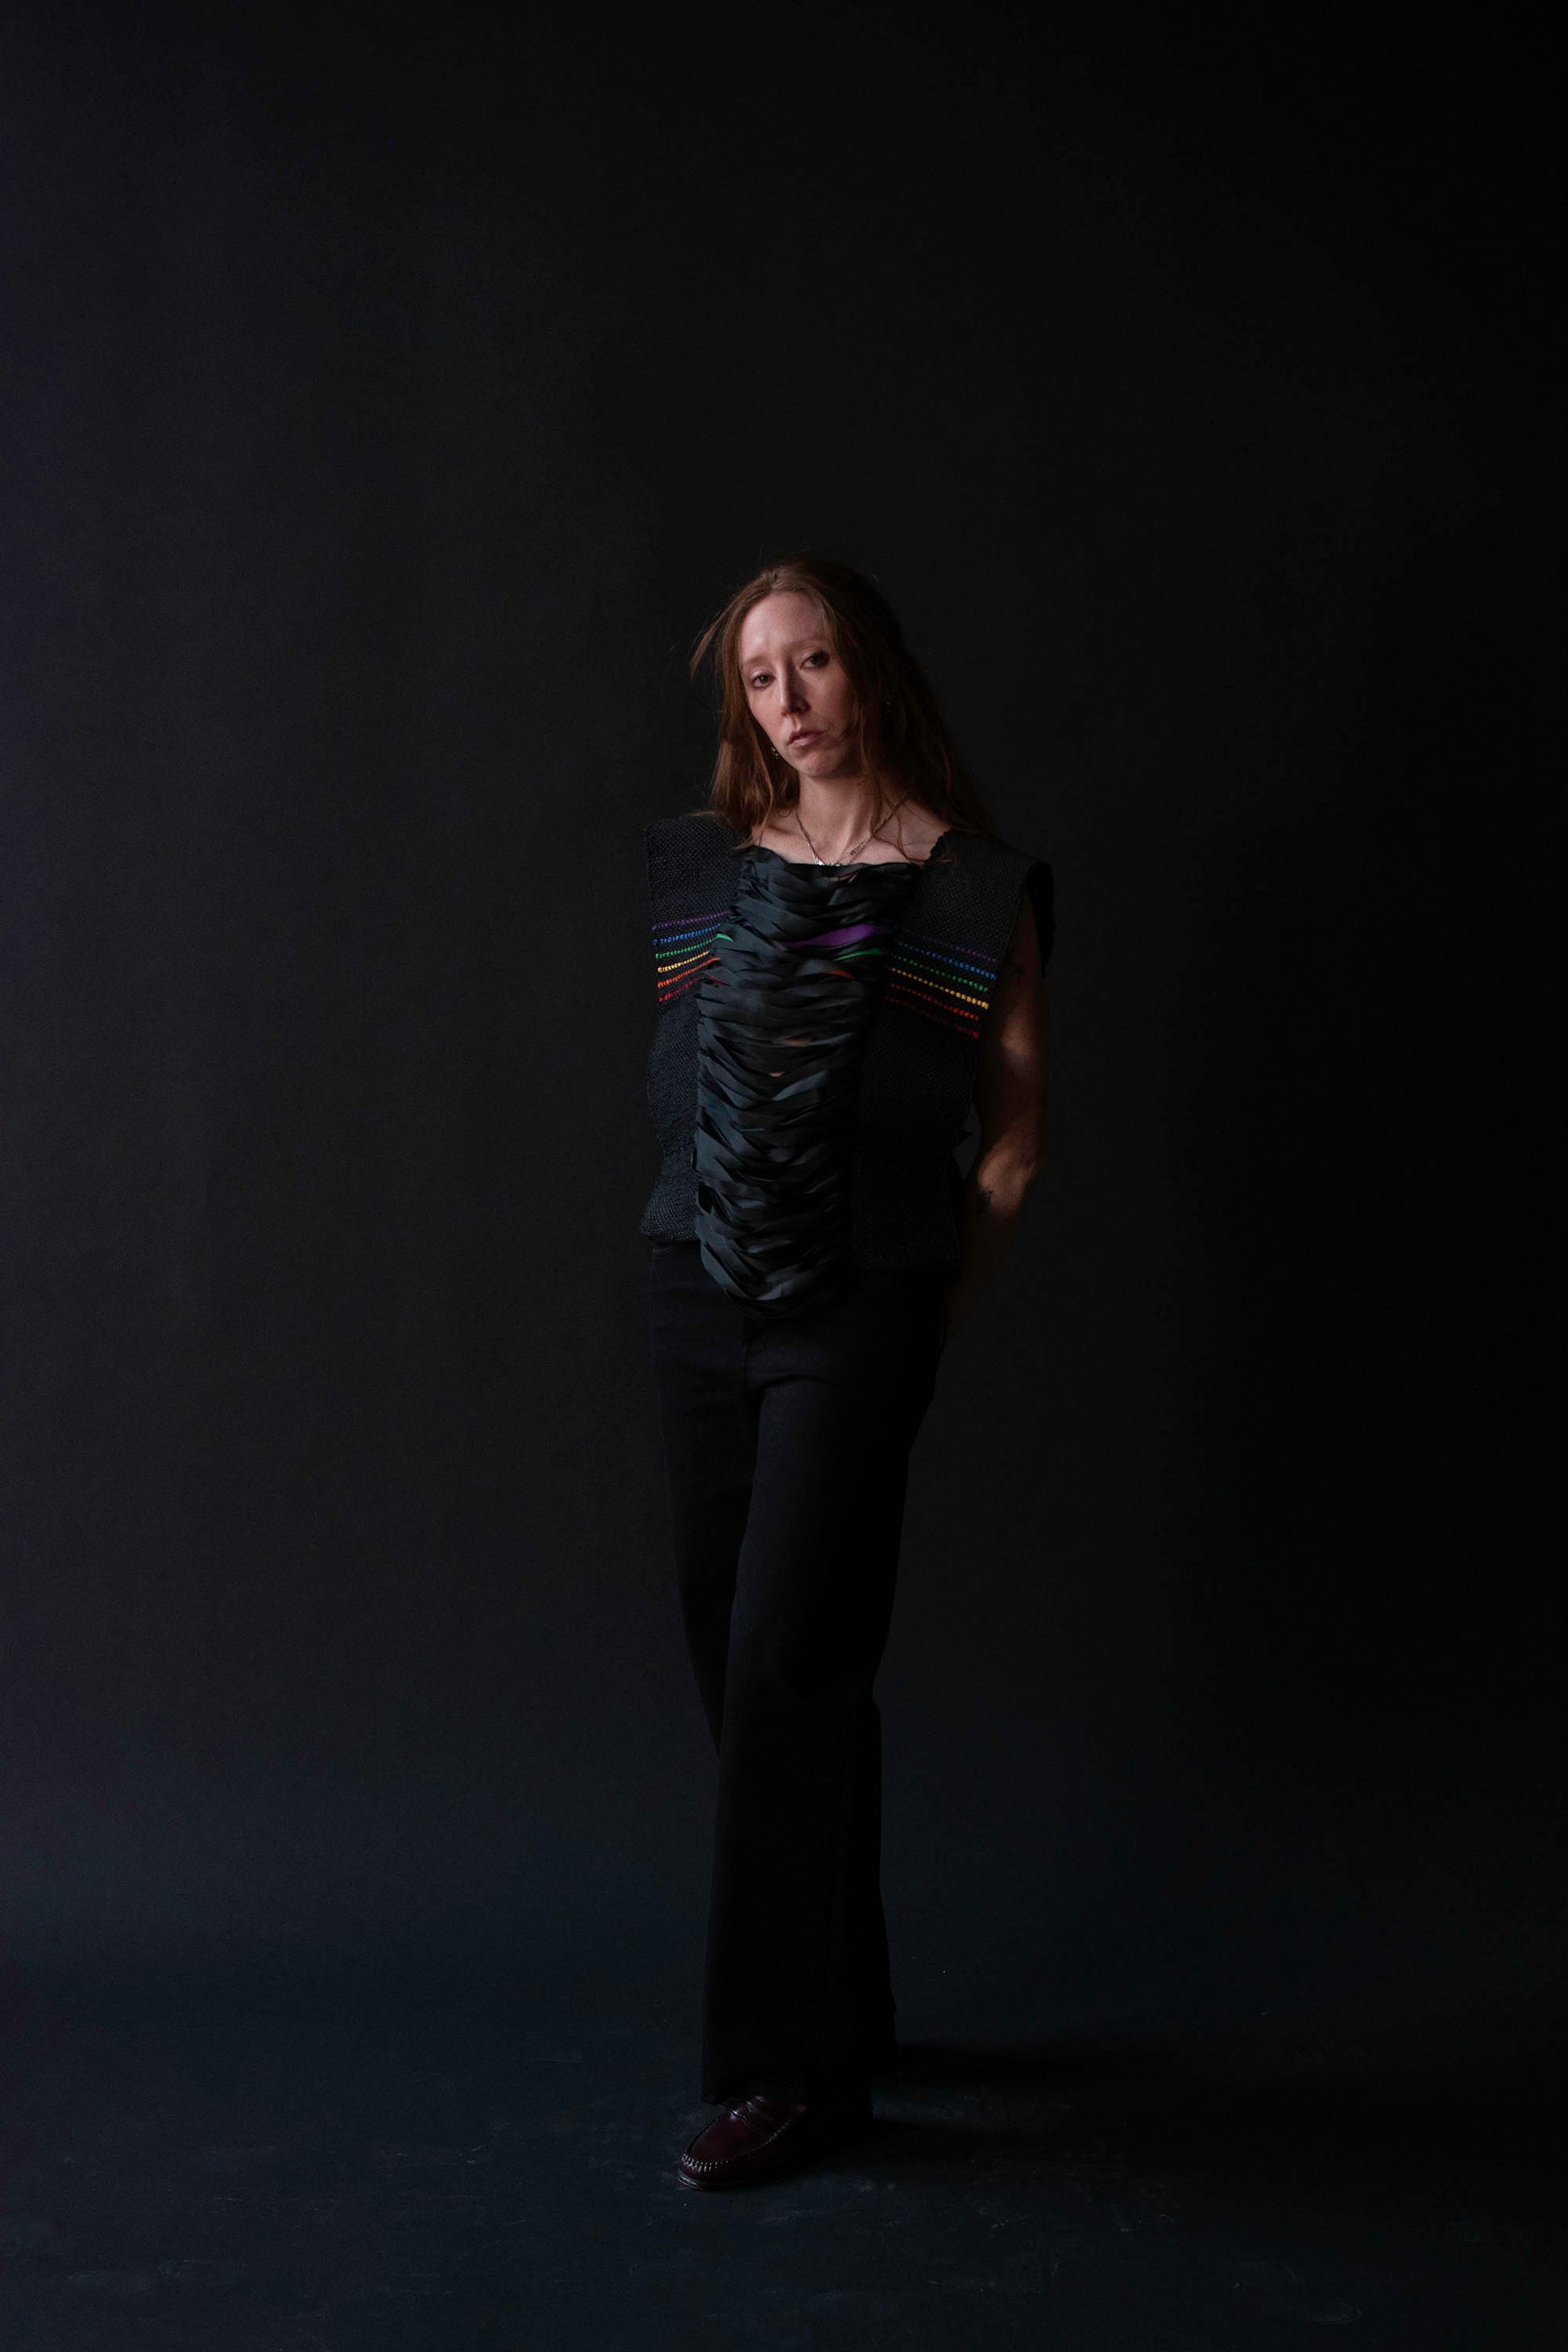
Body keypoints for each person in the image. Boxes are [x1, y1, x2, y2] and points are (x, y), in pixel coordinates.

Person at [639, 553, 1053, 2190]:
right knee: (739, 1659)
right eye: (759, 677)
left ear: (865, 668)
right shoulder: (697, 875)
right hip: (692, 1293)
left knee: (782, 1660)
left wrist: (922, 1322)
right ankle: (849, 1999)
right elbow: (687, 1088)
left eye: (811, 663)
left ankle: (789, 2076)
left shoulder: (971, 890)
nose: (788, 702)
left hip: (861, 1302)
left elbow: (1009, 1148)